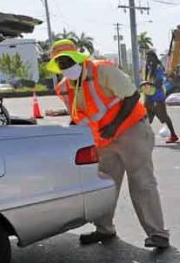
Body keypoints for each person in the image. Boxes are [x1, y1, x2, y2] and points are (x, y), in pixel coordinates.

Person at [46, 39, 170, 249]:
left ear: (78, 58)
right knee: (104, 185)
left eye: (68, 61)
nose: (65, 67)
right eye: (60, 64)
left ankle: (158, 234)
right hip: (103, 140)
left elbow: (132, 96)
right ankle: (104, 229)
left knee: (142, 182)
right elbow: (78, 117)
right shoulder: (64, 89)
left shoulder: (102, 71)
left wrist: (114, 125)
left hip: (131, 131)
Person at [143, 50, 179, 143]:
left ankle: (173, 135)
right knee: (147, 120)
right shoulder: (148, 69)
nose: (148, 61)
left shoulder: (158, 68)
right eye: (146, 59)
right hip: (149, 98)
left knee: (164, 117)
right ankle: (145, 138)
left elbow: (158, 83)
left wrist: (147, 83)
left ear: (154, 58)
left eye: (149, 58)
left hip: (157, 98)